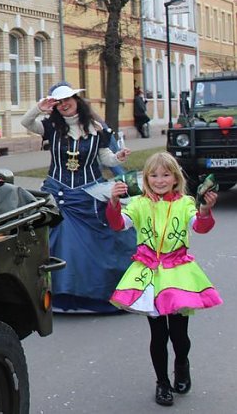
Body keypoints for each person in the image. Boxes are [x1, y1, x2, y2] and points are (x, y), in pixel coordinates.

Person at [108, 152, 222, 406]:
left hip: (178, 273)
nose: (160, 180)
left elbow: (200, 226)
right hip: (148, 274)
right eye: (154, 175)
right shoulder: (137, 204)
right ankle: (162, 383)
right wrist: (114, 202)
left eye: (166, 175)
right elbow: (118, 224)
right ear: (146, 178)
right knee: (158, 335)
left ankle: (181, 364)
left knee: (179, 335)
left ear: (175, 178)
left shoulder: (185, 203)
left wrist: (205, 209)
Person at [21, 82, 136, 313]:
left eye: (67, 100)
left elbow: (105, 159)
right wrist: (39, 107)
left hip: (88, 191)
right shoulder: (52, 127)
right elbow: (26, 123)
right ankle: (56, 295)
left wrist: (119, 157)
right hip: (58, 190)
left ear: (76, 100)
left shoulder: (96, 129)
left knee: (102, 238)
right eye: (59, 102)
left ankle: (98, 294)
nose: (64, 105)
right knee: (54, 239)